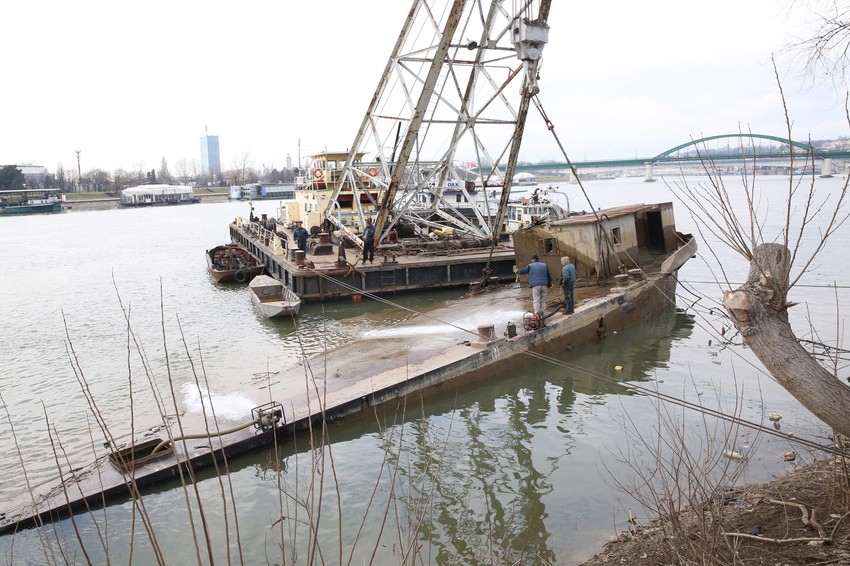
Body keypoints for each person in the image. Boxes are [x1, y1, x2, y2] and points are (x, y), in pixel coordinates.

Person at [515, 254, 552, 322]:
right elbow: (549, 275)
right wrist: (549, 284)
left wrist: (517, 271)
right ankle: (543, 314)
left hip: (535, 285)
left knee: (536, 299)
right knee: (543, 300)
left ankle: (537, 315)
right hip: (544, 285)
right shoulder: (544, 265)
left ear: (533, 260)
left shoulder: (530, 265)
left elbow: (523, 271)